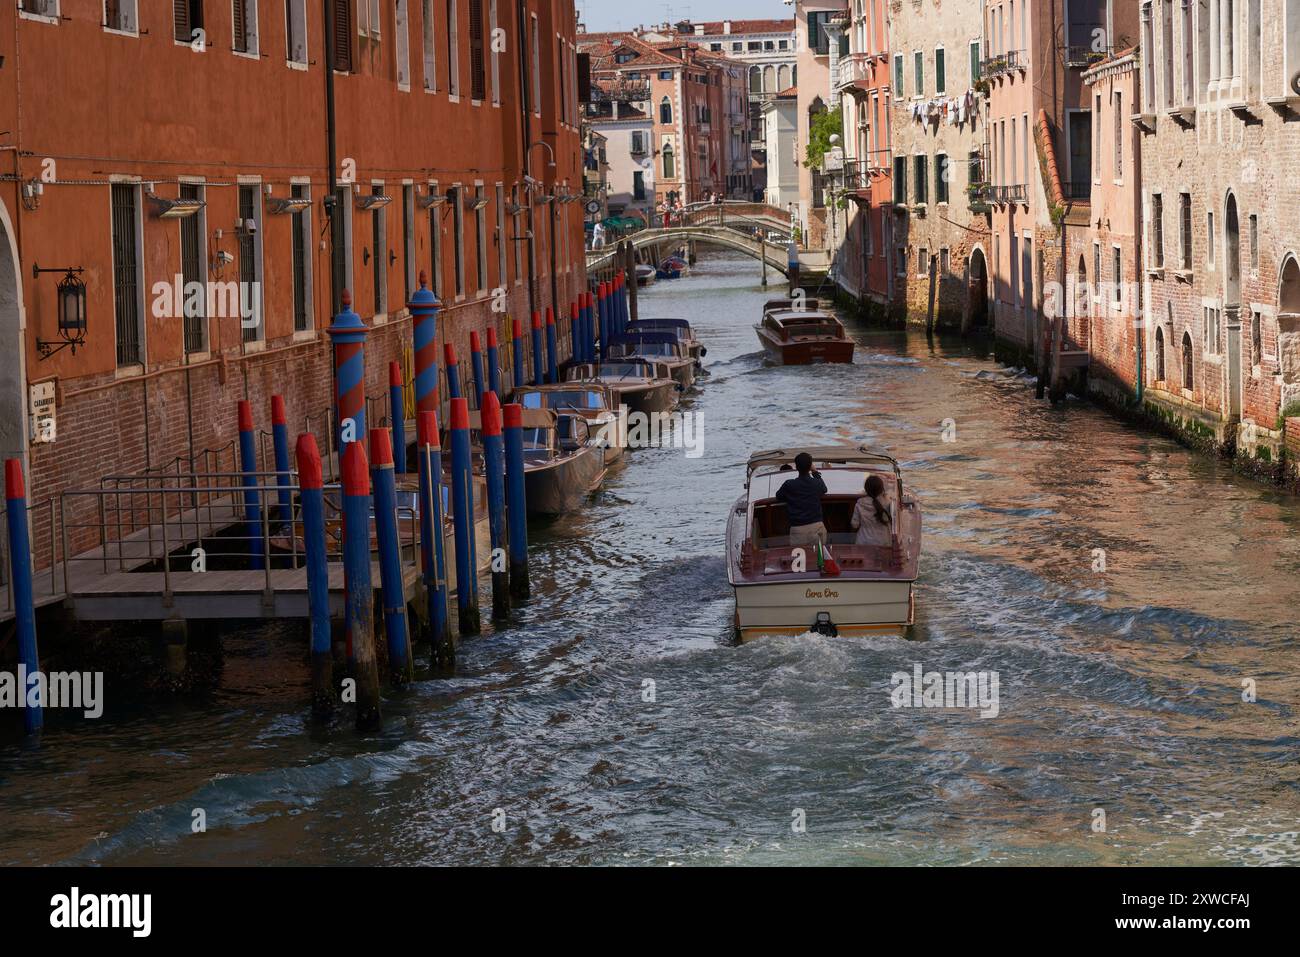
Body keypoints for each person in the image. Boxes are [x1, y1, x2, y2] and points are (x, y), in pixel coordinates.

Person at [776, 452, 828, 547]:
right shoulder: (817, 483)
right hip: (817, 527)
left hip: (798, 530)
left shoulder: (789, 485)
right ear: (810, 466)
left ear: (796, 467)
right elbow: (824, 489)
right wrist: (815, 472)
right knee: (820, 559)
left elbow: (778, 496)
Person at [851, 475, 893, 547]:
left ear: (866, 489)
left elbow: (854, 525)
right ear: (881, 489)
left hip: (863, 542)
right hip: (883, 542)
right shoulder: (887, 502)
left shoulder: (860, 503)